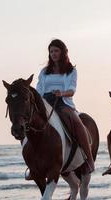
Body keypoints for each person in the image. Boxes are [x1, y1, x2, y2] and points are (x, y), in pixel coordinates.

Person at [25, 39, 94, 180]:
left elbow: (72, 90)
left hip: (63, 103)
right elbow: (39, 90)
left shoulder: (71, 70)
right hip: (45, 102)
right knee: (29, 123)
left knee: (77, 123)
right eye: (51, 51)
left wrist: (61, 93)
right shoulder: (44, 71)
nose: (54, 54)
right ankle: (32, 166)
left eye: (56, 51)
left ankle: (89, 160)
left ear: (62, 52)